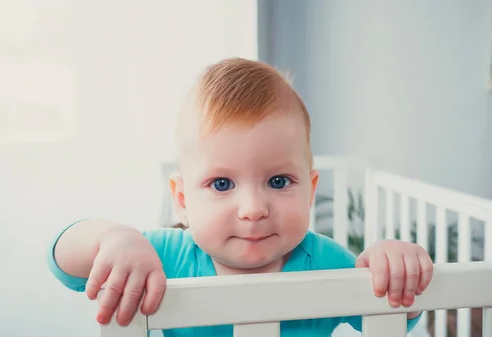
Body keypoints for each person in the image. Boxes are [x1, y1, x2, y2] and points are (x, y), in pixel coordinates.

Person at [47, 58, 433, 336]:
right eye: (221, 184)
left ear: (310, 191)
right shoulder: (162, 257)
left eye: (279, 181)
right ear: (181, 199)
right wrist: (112, 238)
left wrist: (395, 269)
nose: (253, 209)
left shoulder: (325, 261)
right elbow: (62, 260)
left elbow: (396, 316)